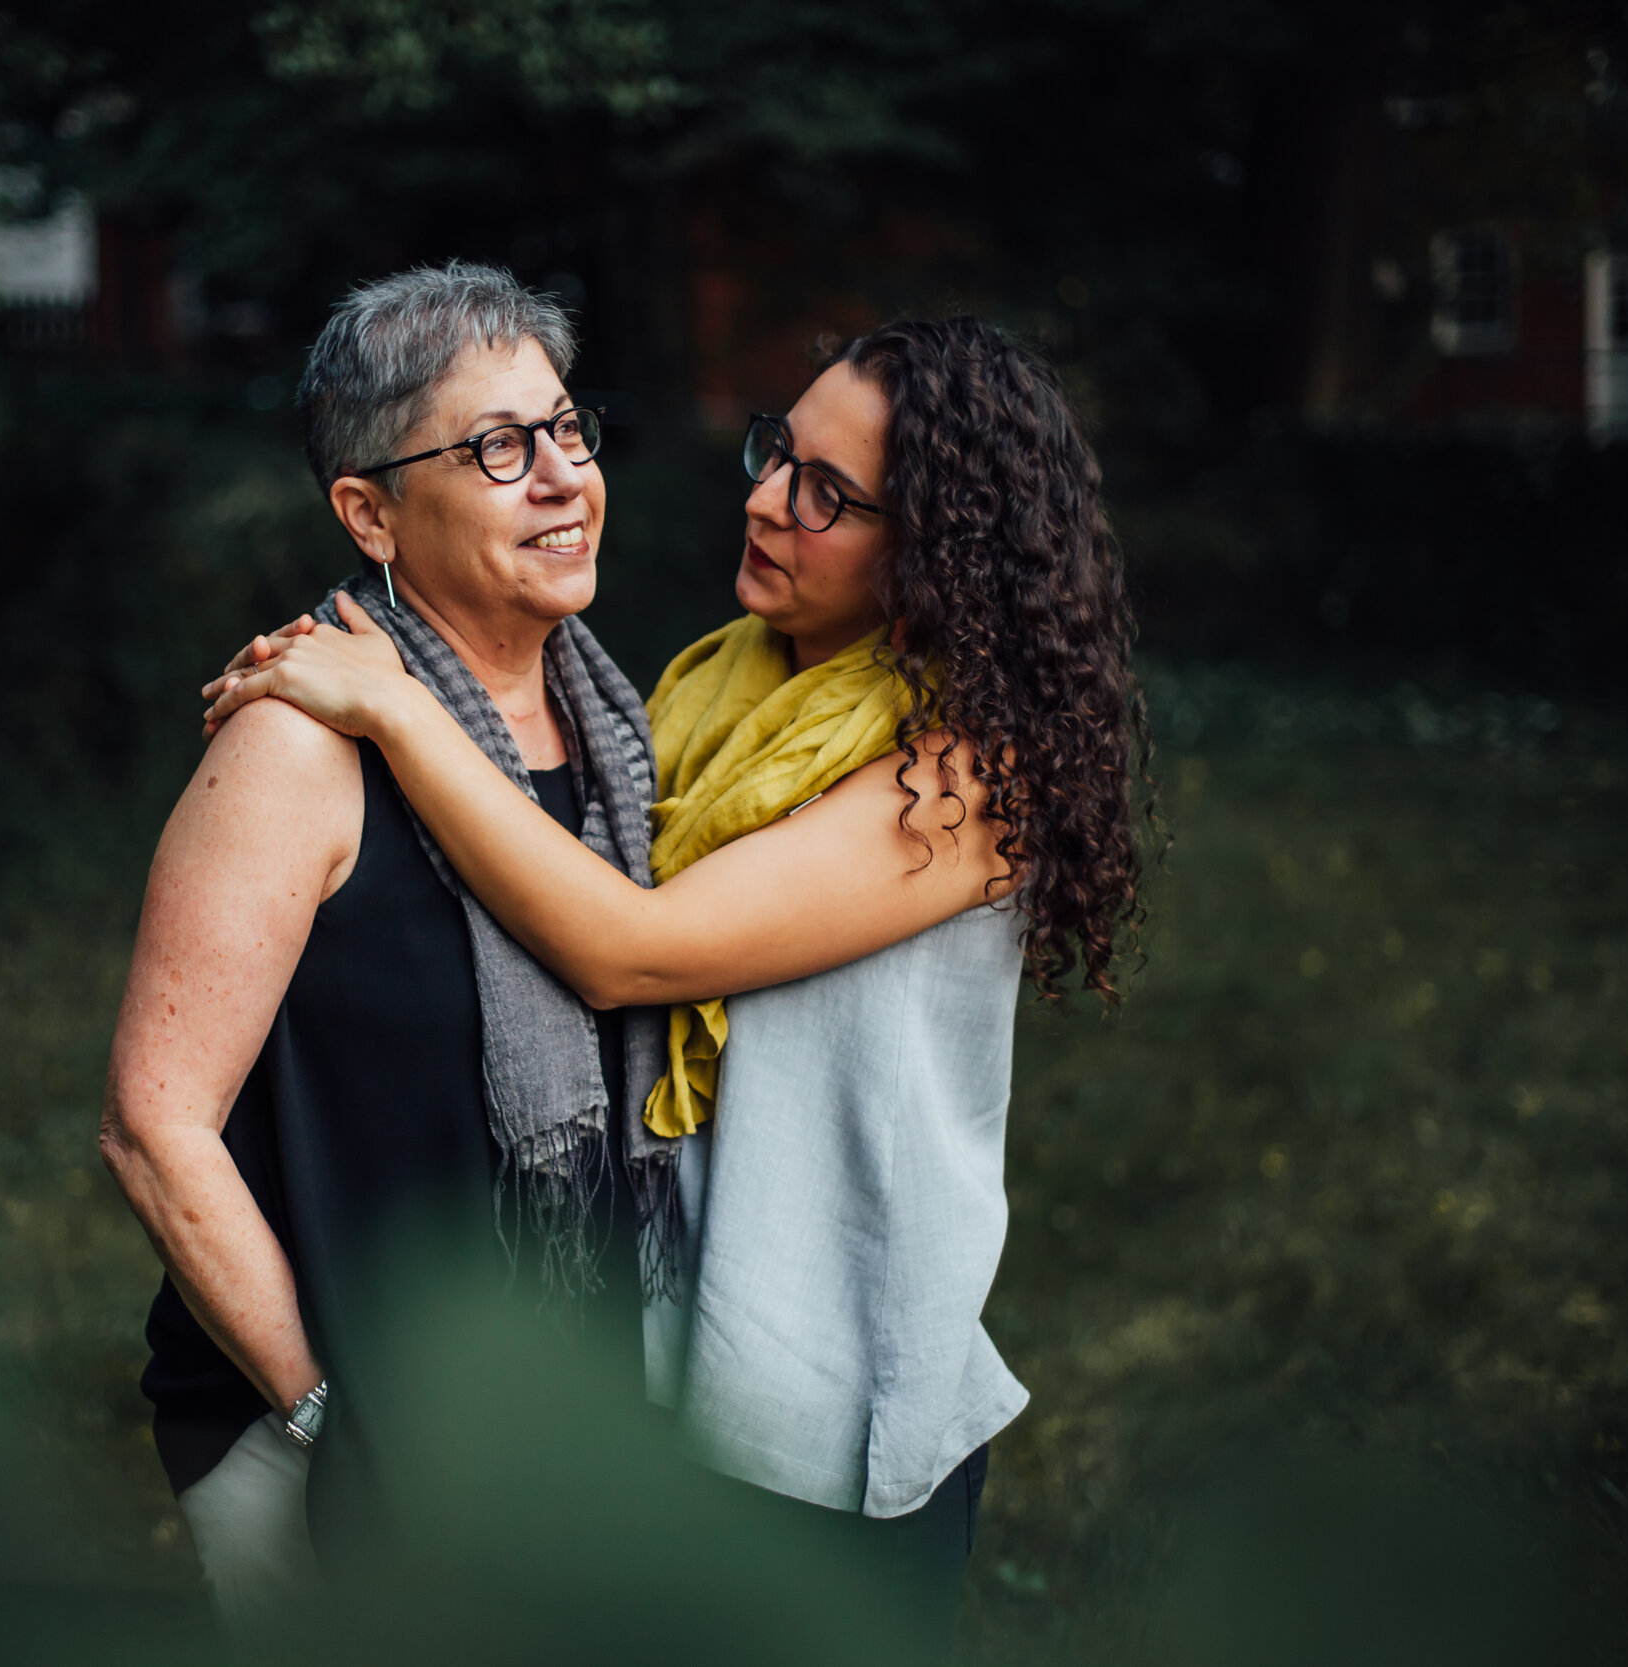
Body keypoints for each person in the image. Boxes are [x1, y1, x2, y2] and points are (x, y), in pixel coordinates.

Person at [200, 316, 1154, 1633]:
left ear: (935, 550)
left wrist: (398, 709)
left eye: (830, 494)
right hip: (673, 1381)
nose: (766, 499)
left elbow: (625, 949)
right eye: (779, 455)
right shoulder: (720, 689)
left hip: (830, 1408)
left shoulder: (967, 774)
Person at [97, 263, 673, 1635]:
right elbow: (149, 1127)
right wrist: (321, 1411)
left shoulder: (617, 735)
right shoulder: (299, 745)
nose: (561, 478)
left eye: (567, 430)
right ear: (370, 514)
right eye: (495, 448)